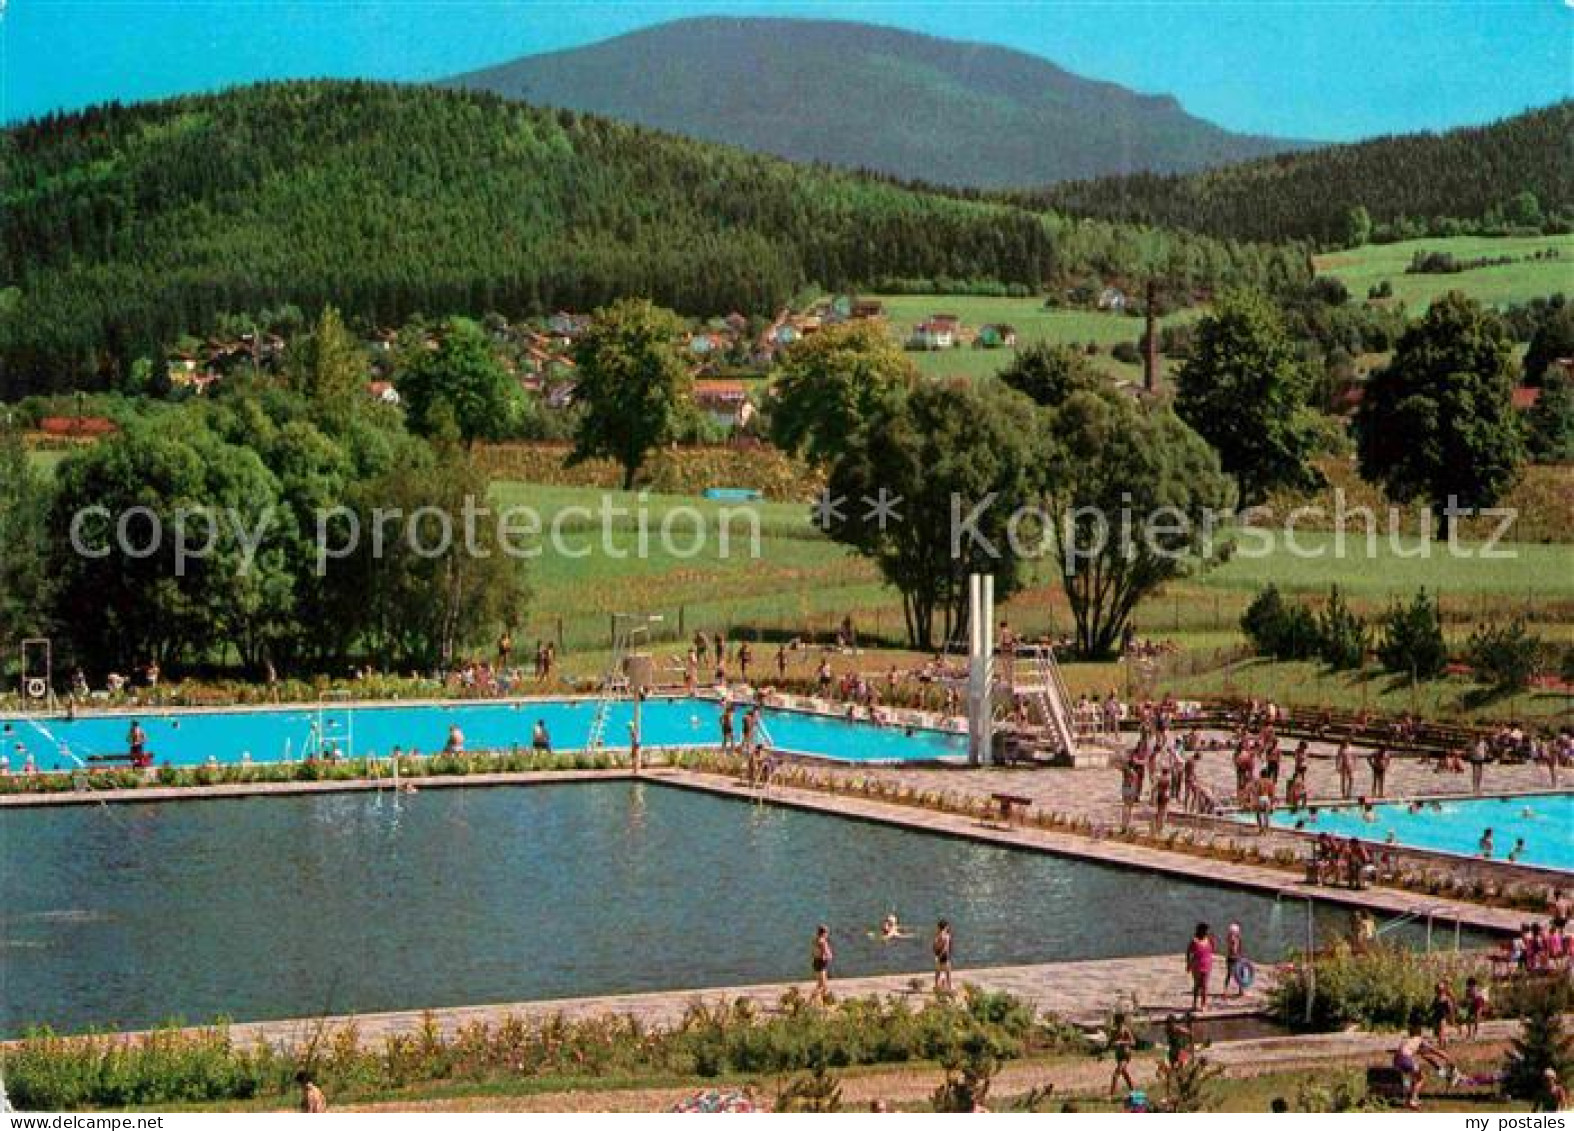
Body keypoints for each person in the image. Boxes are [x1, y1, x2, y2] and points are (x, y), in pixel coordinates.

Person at [1393, 1022, 1452, 1110]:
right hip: (1405, 1059)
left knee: (1412, 1079)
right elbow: (1433, 1050)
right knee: (1421, 1078)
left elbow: (1425, 1056)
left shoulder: (1407, 1040)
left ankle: (1409, 1100)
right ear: (1419, 1033)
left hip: (1397, 1059)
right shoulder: (1419, 1039)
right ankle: (1412, 1101)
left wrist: (1439, 1069)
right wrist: (1445, 1056)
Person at [1185, 923, 1214, 1011]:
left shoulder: (1209, 940)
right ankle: (1194, 1004)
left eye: (1207, 931)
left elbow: (1212, 949)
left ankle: (1203, 1004)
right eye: (1206, 930)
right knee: (1197, 985)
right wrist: (1189, 963)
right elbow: (1189, 952)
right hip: (1196, 966)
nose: (1207, 932)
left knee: (1205, 986)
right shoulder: (1195, 941)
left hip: (1207, 965)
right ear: (1201, 930)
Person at [1108, 1013, 1137, 1098]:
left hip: (1125, 1055)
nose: (1116, 1023)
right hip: (1118, 1055)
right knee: (1124, 1073)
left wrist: (1121, 1042)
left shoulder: (1125, 1030)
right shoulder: (1114, 1031)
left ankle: (1111, 1095)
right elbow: (1110, 1043)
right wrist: (1103, 1052)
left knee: (1116, 1074)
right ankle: (1133, 1091)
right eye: (1116, 1021)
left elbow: (1133, 1042)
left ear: (1121, 1021)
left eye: (1117, 1021)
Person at [1222, 923, 1248, 997]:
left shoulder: (1230, 938)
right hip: (1235, 959)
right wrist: (1241, 956)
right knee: (1240, 974)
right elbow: (1235, 950)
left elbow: (1237, 949)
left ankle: (1226, 990)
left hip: (1230, 958)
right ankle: (1240, 990)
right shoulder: (1234, 939)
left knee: (1229, 974)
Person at [810, 925, 833, 1003]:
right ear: (824, 933)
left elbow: (813, 953)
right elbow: (826, 954)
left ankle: (825, 1001)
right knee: (822, 984)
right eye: (827, 933)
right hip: (821, 964)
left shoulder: (815, 940)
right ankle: (811, 1000)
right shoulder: (822, 942)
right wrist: (829, 956)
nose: (827, 934)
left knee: (823, 984)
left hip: (816, 962)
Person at [932, 918, 953, 994]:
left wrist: (936, 955)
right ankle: (949, 987)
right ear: (946, 927)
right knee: (948, 973)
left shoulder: (937, 936)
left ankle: (936, 986)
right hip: (944, 957)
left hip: (937, 955)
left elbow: (934, 946)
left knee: (937, 972)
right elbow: (945, 948)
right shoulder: (946, 936)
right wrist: (941, 955)